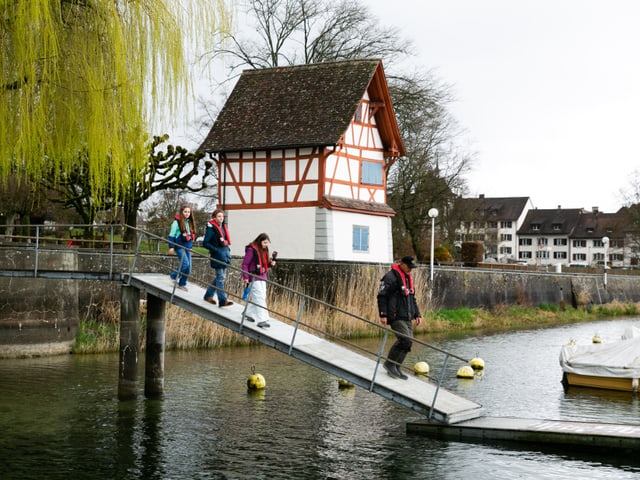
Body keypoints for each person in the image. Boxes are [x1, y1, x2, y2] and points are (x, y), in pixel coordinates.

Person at [376, 255, 423, 380]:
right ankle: (389, 364)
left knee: (408, 343)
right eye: (409, 267)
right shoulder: (390, 277)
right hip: (395, 315)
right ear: (402, 264)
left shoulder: (407, 278)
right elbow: (382, 296)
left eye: (412, 268)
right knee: (405, 339)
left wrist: (417, 314)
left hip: (407, 315)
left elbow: (412, 298)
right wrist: (383, 314)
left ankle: (396, 367)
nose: (410, 270)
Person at [241, 233, 276, 328]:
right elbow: (245, 264)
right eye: (265, 242)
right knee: (259, 297)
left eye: (267, 243)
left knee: (261, 297)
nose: (266, 245)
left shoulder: (264, 250)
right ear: (260, 241)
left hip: (262, 276)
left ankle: (247, 312)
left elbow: (265, 264)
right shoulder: (251, 250)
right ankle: (262, 319)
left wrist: (270, 264)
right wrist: (246, 277)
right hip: (253, 277)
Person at [203, 209, 233, 307]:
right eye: (219, 216)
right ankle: (222, 300)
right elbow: (205, 243)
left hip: (224, 254)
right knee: (221, 278)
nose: (221, 218)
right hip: (218, 255)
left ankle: (208, 295)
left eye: (222, 216)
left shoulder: (223, 228)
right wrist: (215, 250)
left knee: (220, 278)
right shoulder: (211, 229)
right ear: (214, 218)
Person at [168, 205, 196, 291]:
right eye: (185, 212)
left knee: (189, 267)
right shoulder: (176, 222)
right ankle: (173, 276)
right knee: (185, 264)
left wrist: (190, 248)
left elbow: (190, 237)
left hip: (187, 247)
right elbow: (171, 235)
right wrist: (171, 247)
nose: (187, 213)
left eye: (188, 212)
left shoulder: (190, 223)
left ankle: (182, 284)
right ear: (182, 212)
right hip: (179, 246)